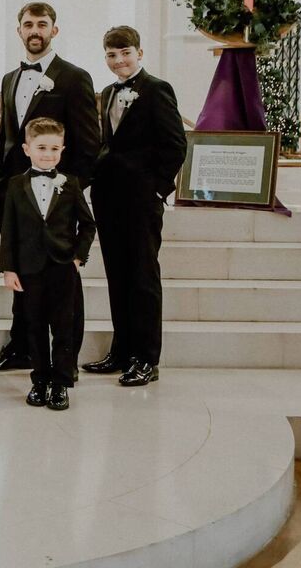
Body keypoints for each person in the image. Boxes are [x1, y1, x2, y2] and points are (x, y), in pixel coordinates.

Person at [0, 2, 99, 371]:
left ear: (54, 30)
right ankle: (23, 346)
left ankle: (66, 360)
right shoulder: (9, 79)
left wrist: (67, 190)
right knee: (24, 271)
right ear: (18, 30)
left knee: (64, 279)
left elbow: (88, 143)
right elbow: (6, 136)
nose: (34, 30)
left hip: (56, 197)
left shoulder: (73, 77)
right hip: (14, 193)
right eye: (27, 24)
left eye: (42, 24)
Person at [83, 25, 186, 386]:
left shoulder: (156, 90)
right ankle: (122, 350)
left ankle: (146, 358)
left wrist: (158, 191)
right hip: (109, 198)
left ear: (139, 53)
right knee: (117, 275)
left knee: (142, 276)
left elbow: (175, 145)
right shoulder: (109, 92)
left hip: (142, 200)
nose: (119, 60)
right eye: (112, 54)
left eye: (125, 53)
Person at [0, 118, 95, 411]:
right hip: (28, 269)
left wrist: (78, 256)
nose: (48, 154)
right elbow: (9, 230)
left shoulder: (71, 184)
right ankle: (39, 381)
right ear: (27, 149)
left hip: (62, 267)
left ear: (62, 150)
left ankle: (61, 384)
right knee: (34, 326)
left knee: (63, 327)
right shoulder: (15, 185)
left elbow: (88, 225)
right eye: (42, 148)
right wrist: (9, 268)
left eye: (54, 148)